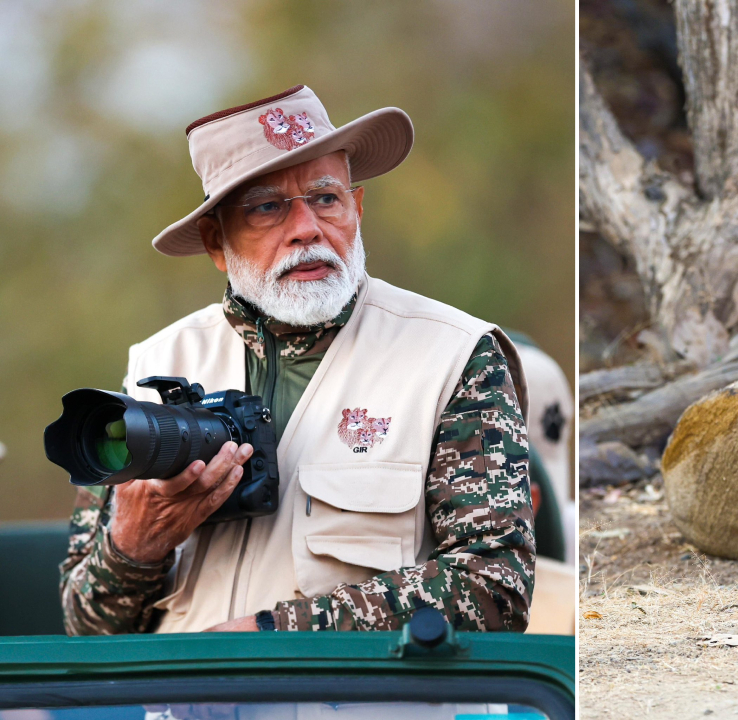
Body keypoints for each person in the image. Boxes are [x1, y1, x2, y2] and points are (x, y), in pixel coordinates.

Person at [58, 85, 535, 634]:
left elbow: (496, 587)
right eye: (267, 207)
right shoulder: (152, 367)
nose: (307, 228)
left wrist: (273, 635)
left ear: (357, 208)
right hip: (179, 689)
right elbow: (83, 626)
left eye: (326, 198)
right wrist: (132, 550)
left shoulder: (454, 354)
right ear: (215, 242)